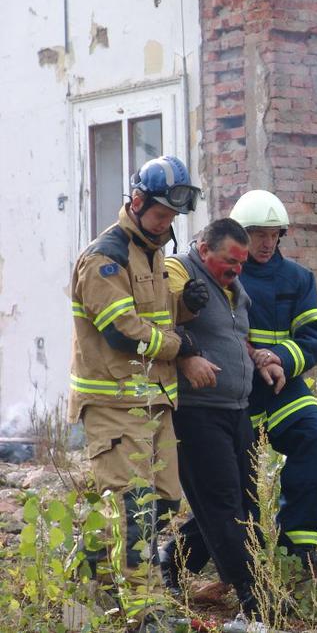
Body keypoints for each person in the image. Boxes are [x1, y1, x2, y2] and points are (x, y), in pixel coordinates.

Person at [68, 155, 207, 619]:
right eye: (161, 214)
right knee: (136, 508)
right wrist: (180, 345)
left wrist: (186, 305)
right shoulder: (104, 258)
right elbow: (121, 330)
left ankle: (89, 566)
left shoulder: (152, 251)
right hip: (113, 402)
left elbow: (153, 310)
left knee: (165, 501)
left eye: (172, 217)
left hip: (153, 400)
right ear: (138, 201)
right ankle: (145, 608)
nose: (166, 224)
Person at [159, 218, 281, 616]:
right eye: (230, 260)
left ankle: (171, 561)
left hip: (237, 409)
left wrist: (257, 356)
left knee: (245, 503)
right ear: (203, 249)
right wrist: (186, 355)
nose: (237, 269)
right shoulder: (180, 269)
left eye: (242, 262)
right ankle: (254, 598)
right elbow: (162, 310)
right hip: (198, 412)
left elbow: (234, 335)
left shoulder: (233, 287)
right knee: (224, 506)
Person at [229, 189, 317, 576]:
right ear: (241, 234)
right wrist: (256, 359)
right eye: (259, 234)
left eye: (274, 235)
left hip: (281, 385)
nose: (267, 243)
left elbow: (313, 337)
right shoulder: (226, 276)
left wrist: (281, 359)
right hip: (238, 389)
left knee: (315, 437)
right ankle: (241, 561)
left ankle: (299, 549)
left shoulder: (299, 279)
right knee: (235, 474)